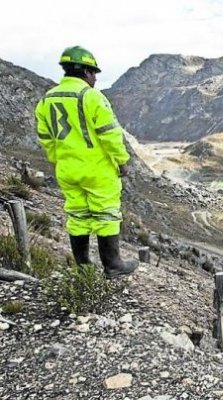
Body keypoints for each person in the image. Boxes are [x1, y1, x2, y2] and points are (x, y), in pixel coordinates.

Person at [35, 46, 138, 278]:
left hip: (67, 170)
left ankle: (83, 267)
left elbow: (45, 138)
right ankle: (113, 265)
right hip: (97, 170)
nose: (95, 78)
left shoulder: (47, 100)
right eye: (93, 73)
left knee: (77, 215)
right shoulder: (91, 97)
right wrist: (122, 161)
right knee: (107, 214)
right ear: (85, 72)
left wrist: (59, 160)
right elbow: (109, 134)